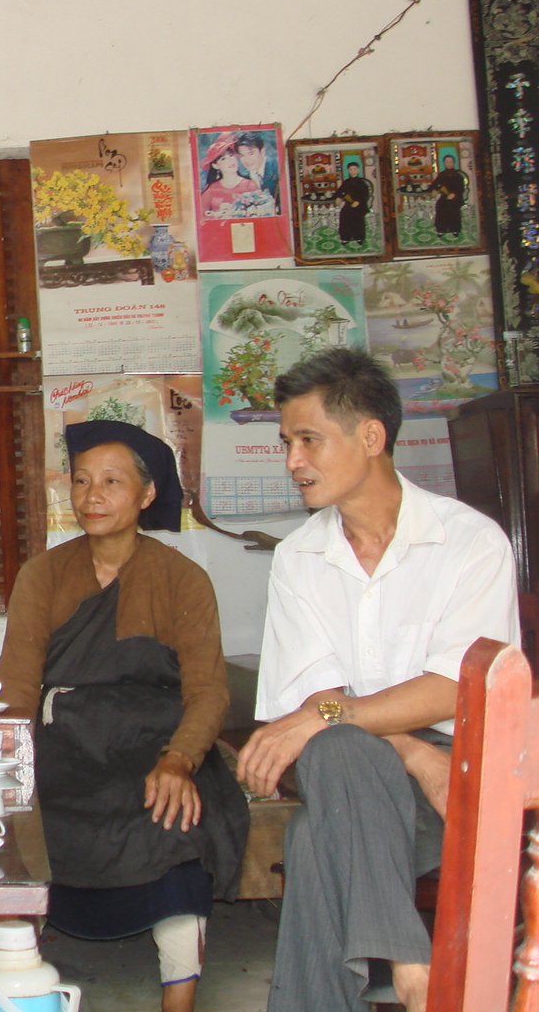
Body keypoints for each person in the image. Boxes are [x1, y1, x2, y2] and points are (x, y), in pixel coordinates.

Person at [238, 348, 518, 1012]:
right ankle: (410, 963)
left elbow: (455, 689)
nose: (292, 461)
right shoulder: (300, 559)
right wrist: (411, 752)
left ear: (370, 436)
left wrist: (334, 718)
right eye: (286, 443)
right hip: (373, 767)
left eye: (308, 440)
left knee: (315, 838)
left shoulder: (469, 543)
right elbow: (317, 705)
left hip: (459, 778)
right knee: (338, 748)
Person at [0, 421, 247, 1012]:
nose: (92, 496)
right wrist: (9, 764)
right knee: (32, 818)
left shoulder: (182, 578)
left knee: (176, 814)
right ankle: (21, 978)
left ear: (147, 494)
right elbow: (18, 687)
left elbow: (208, 692)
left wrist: (180, 760)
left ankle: (179, 996)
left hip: (158, 741)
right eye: (82, 481)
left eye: (112, 481)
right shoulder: (42, 575)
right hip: (67, 741)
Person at [198, 134, 262, 218]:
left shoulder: (250, 185)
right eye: (223, 159)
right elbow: (201, 217)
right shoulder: (211, 190)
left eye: (231, 155)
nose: (230, 160)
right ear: (215, 165)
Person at [235, 131, 280, 205]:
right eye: (242, 155)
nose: (247, 160)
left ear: (262, 151)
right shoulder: (244, 177)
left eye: (251, 153)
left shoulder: (277, 167)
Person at [429, 153, 468, 238]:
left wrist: (454, 194)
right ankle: (441, 229)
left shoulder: (458, 175)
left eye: (451, 162)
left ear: (453, 163)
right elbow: (436, 184)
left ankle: (455, 229)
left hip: (456, 197)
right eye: (447, 162)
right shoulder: (442, 174)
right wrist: (435, 190)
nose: (449, 164)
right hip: (445, 197)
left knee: (453, 207)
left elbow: (461, 188)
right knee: (440, 205)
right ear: (444, 163)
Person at [335, 160, 372, 247]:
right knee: (344, 215)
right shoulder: (346, 182)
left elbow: (365, 195)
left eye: (355, 169)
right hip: (349, 204)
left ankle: (359, 237)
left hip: (360, 205)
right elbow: (340, 191)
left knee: (358, 217)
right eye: (351, 169)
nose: (353, 171)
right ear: (348, 170)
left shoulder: (362, 183)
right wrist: (338, 197)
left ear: (358, 170)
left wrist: (358, 201)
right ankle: (345, 237)